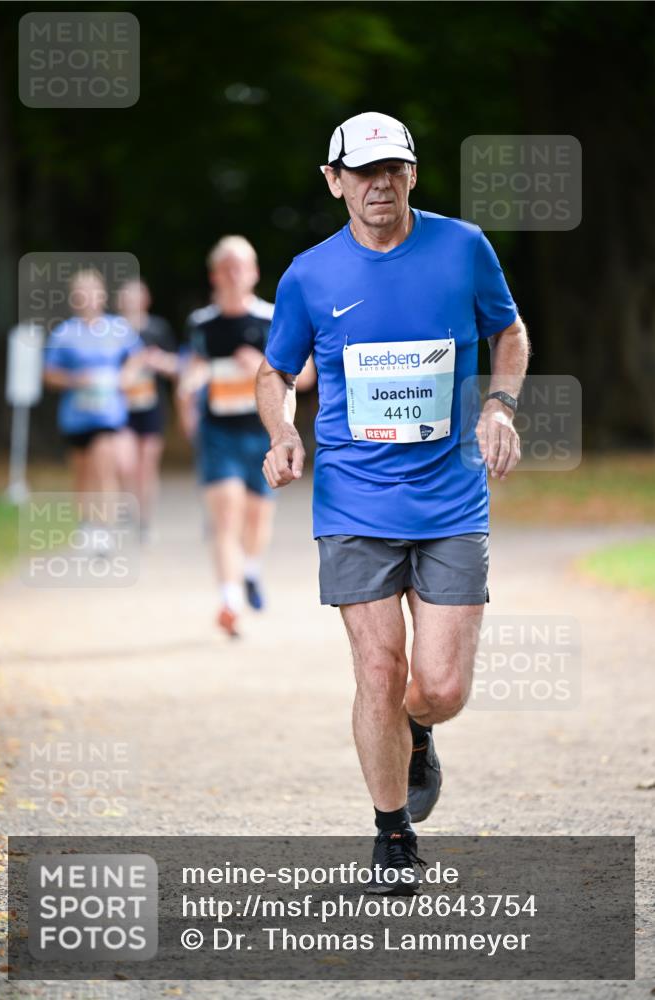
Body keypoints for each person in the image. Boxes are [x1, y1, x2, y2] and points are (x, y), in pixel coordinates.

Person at [256, 112, 530, 893]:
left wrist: (499, 406)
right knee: (377, 668)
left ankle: (418, 730)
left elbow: (507, 333)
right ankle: (391, 832)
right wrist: (281, 432)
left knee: (438, 687)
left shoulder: (462, 247)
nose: (379, 184)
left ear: (412, 173)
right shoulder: (309, 274)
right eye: (363, 171)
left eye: (394, 169)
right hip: (352, 500)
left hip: (450, 497)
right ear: (334, 180)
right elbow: (275, 373)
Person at [179, 236, 315, 638]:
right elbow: (193, 370)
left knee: (257, 518)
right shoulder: (201, 323)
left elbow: (304, 377)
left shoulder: (273, 319)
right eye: (227, 267)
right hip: (217, 431)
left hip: (263, 433)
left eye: (242, 266)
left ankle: (250, 570)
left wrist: (258, 365)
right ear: (215, 275)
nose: (235, 274)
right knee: (225, 516)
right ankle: (229, 600)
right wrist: (189, 394)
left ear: (254, 273)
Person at [44, 268, 145, 548]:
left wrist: (125, 377)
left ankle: (104, 529)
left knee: (105, 468)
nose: (86, 298)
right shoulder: (64, 333)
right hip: (76, 416)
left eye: (91, 292)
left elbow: (138, 357)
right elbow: (49, 374)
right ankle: (86, 524)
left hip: (108, 413)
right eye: (80, 293)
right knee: (83, 472)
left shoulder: (118, 329)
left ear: (101, 296)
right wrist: (75, 379)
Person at [116, 279, 178, 540]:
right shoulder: (111, 330)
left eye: (136, 295)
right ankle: (126, 508)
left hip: (152, 405)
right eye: (126, 296)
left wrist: (158, 362)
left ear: (146, 299)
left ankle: (145, 520)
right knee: (125, 463)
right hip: (121, 406)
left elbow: (178, 365)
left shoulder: (157, 328)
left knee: (147, 464)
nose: (131, 301)